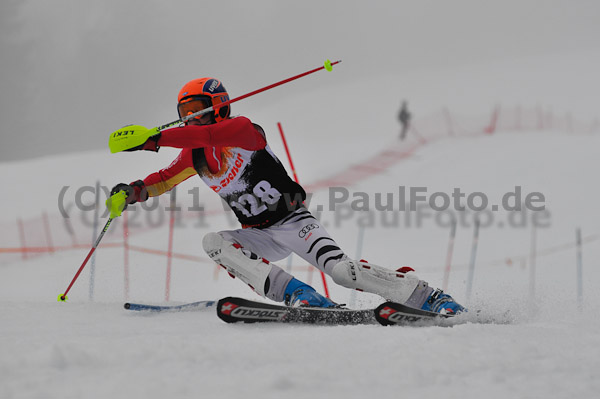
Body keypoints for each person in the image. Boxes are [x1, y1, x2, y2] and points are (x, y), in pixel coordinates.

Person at [109, 77, 464, 314]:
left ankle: (426, 296)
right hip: (258, 233)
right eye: (183, 114)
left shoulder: (245, 131)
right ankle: (299, 295)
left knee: (341, 271)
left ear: (218, 106)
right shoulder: (193, 155)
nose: (190, 119)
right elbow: (163, 179)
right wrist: (132, 192)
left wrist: (154, 139)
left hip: (294, 221)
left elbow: (214, 136)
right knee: (214, 241)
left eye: (196, 110)